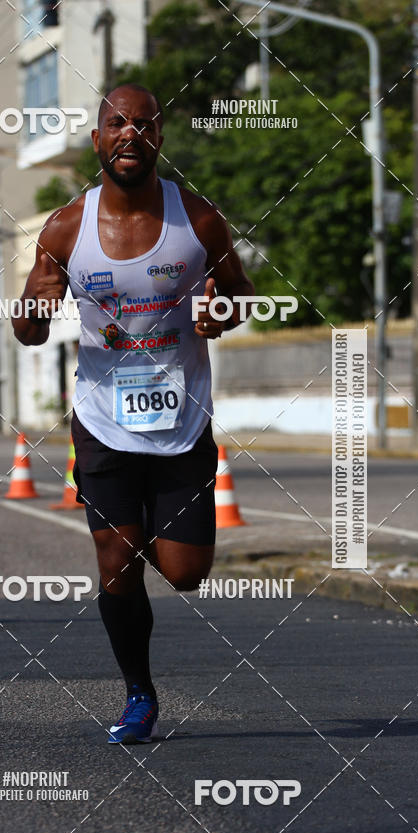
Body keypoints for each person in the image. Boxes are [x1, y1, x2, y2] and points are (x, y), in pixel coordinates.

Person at [14, 84, 255, 744]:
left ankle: (144, 530)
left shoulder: (198, 219)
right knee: (116, 557)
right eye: (116, 123)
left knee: (185, 573)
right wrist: (35, 306)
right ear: (97, 140)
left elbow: (241, 294)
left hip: (181, 422)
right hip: (102, 421)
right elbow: (28, 332)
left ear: (158, 140)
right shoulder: (65, 226)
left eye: (143, 125)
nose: (130, 134)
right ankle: (139, 693)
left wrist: (221, 313)